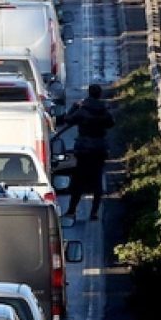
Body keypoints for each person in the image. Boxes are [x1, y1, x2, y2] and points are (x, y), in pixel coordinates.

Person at [62, 84, 115, 220]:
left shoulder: (82, 110)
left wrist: (74, 107)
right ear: (100, 94)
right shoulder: (103, 111)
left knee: (79, 180)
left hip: (84, 150)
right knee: (97, 180)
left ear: (89, 93)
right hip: (99, 149)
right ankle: (94, 212)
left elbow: (67, 119)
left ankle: (72, 210)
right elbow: (111, 123)